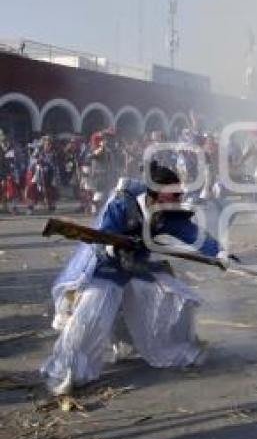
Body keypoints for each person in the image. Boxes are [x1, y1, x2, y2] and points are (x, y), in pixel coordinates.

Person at [41, 161, 229, 396]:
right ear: (154, 194)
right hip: (105, 270)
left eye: (178, 195)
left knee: (178, 297)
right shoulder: (122, 203)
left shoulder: (167, 213)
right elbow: (101, 236)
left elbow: (191, 233)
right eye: (172, 195)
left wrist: (218, 252)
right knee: (91, 317)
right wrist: (113, 248)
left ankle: (178, 349)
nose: (176, 200)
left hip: (138, 268)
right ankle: (67, 370)